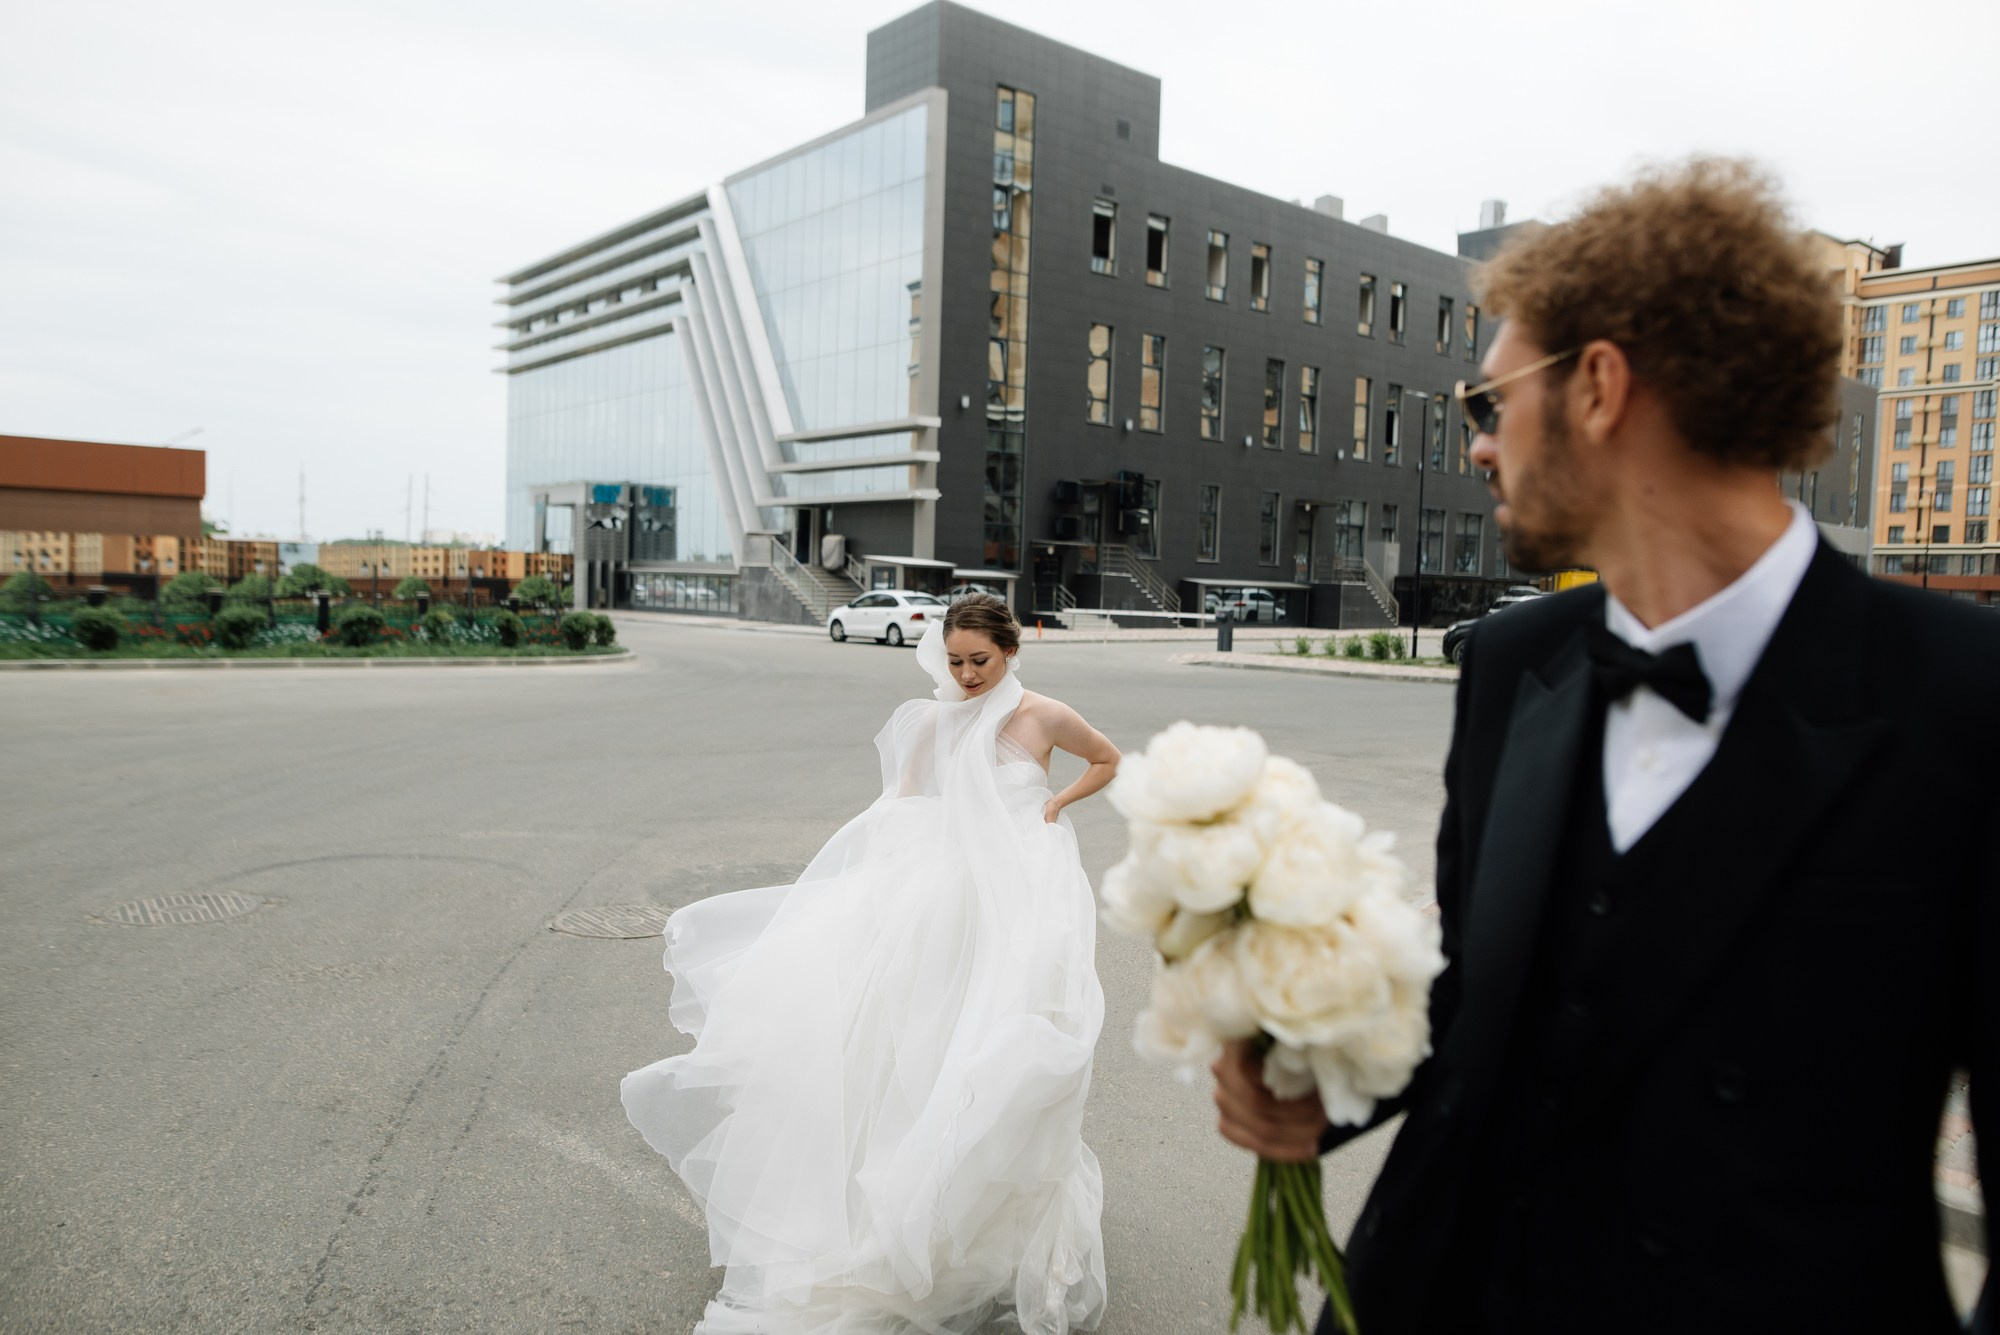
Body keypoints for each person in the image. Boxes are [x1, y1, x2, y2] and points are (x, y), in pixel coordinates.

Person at [1211, 158, 2000, 1334]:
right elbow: (1476, 999)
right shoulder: (1510, 663)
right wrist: (1317, 1084)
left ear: (1595, 386)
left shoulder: (1966, 697)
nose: (1478, 447)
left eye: (1487, 403)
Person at [623, 593, 1120, 1334]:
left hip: (1019, 889)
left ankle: (996, 1209)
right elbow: (905, 800)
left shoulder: (1045, 715)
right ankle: (902, 1201)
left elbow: (1107, 760)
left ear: (1011, 652)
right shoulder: (934, 718)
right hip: (945, 891)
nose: (966, 674)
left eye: (980, 661)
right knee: (918, 1035)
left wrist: (1054, 805)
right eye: (955, 661)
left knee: (1011, 1036)